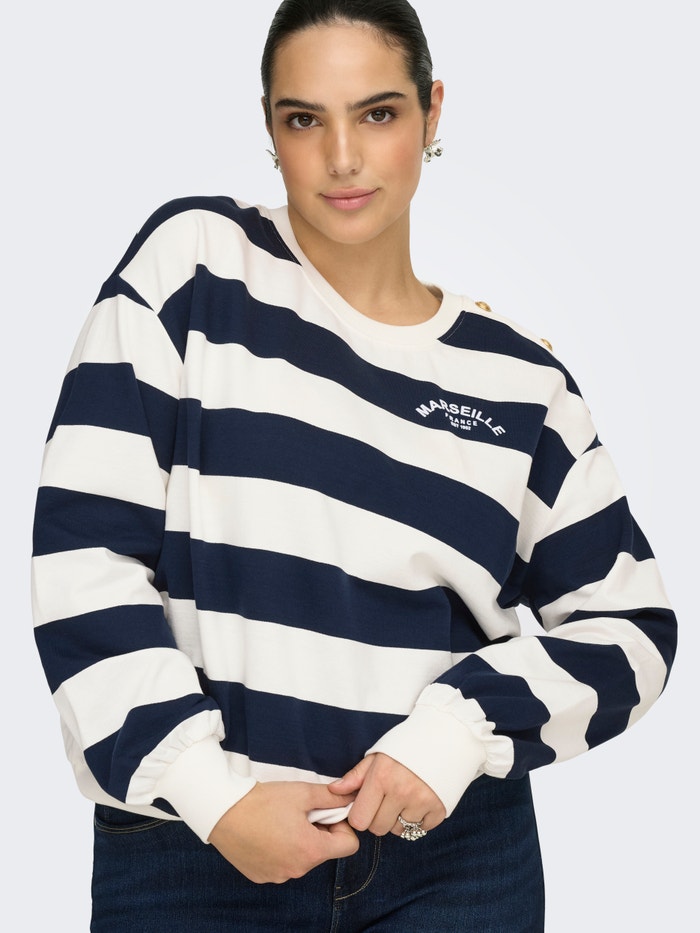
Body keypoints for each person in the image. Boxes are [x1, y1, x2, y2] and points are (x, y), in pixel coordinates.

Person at [31, 0, 677, 930]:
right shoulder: (194, 272)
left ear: (432, 111)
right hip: (192, 853)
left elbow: (631, 627)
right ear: (269, 126)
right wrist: (209, 791)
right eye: (305, 119)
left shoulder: (518, 380)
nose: (341, 157)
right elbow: (84, 553)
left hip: (452, 864)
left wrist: (453, 736)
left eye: (378, 113)